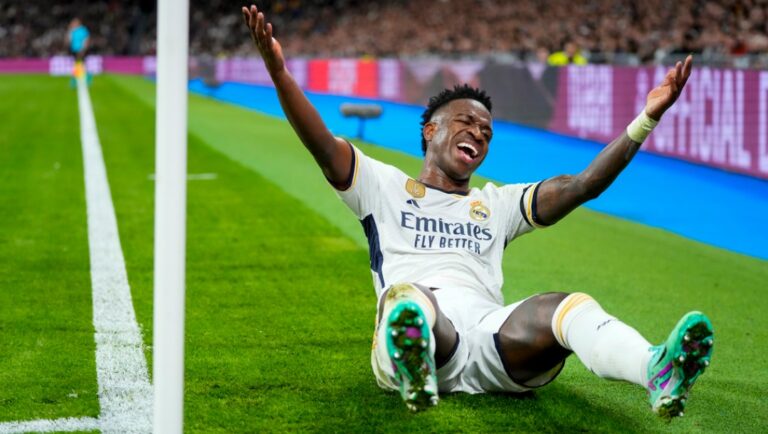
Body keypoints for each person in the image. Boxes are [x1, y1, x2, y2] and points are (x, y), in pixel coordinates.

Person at [241, 5, 713, 419]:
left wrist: (647, 117)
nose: (479, 134)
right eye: (466, 122)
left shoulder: (497, 203)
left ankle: (656, 369)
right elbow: (321, 144)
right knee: (410, 299)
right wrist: (281, 75)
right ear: (430, 131)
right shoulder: (381, 185)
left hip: (492, 342)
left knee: (568, 306)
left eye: (486, 131)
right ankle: (414, 364)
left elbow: (584, 184)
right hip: (426, 327)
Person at [67, 18, 90, 82]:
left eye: (74, 23)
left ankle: (84, 76)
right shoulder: (72, 30)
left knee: (81, 62)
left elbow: (86, 39)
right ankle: (77, 75)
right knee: (76, 62)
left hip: (81, 48)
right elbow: (69, 39)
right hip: (74, 48)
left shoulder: (83, 30)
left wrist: (84, 48)